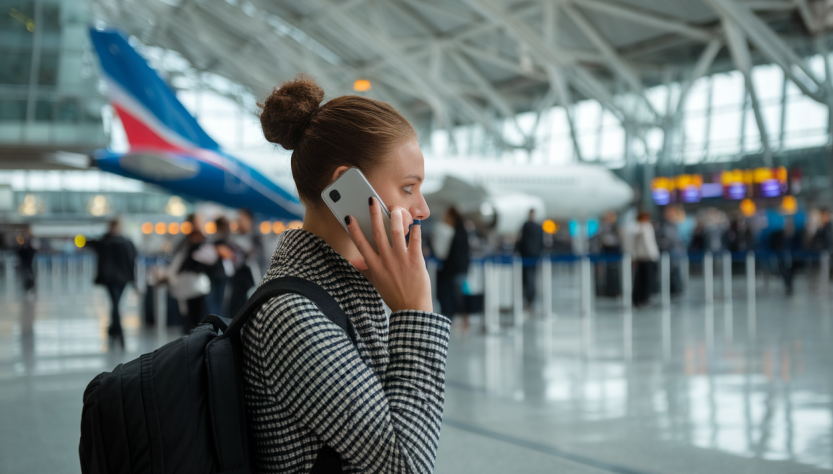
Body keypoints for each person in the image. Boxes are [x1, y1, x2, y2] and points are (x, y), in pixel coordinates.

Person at [242, 75, 449, 472]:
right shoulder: (292, 317)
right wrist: (417, 312)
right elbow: (405, 465)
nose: (422, 209)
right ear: (347, 187)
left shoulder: (345, 289)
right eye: (409, 188)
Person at [168, 213, 223, 332]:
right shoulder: (191, 240)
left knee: (198, 313)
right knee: (192, 314)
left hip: (197, 282)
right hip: (191, 282)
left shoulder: (197, 240)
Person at [87, 219, 137, 348]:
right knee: (116, 303)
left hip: (113, 279)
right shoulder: (125, 242)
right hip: (120, 279)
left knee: (115, 304)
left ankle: (114, 330)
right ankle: (117, 331)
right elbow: (132, 261)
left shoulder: (107, 242)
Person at [435, 207, 471, 328]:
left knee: (457, 296)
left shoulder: (458, 232)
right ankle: (461, 319)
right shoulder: (460, 230)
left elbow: (454, 254)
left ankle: (461, 319)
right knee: (457, 294)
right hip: (459, 269)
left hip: (456, 270)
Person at [226, 208, 263, 317]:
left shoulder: (257, 237)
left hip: (253, 277)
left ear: (248, 219)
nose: (238, 221)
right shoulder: (234, 237)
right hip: (238, 277)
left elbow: (261, 258)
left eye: (241, 218)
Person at [516, 209, 544, 310]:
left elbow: (520, 240)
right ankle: (530, 300)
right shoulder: (538, 227)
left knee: (527, 278)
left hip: (526, 256)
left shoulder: (526, 226)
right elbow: (542, 243)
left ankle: (528, 300)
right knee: (532, 278)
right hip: (534, 256)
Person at [630, 211, 659, 307]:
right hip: (648, 257)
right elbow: (649, 244)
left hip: (639, 257)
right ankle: (644, 298)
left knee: (639, 279)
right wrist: (654, 255)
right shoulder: (646, 227)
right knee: (647, 280)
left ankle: (637, 299)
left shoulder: (635, 227)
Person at [16, 226, 37, 294]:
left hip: (29, 261)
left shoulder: (30, 241)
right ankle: (27, 287)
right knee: (25, 274)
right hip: (25, 261)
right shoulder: (22, 241)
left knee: (28, 273)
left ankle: (30, 286)